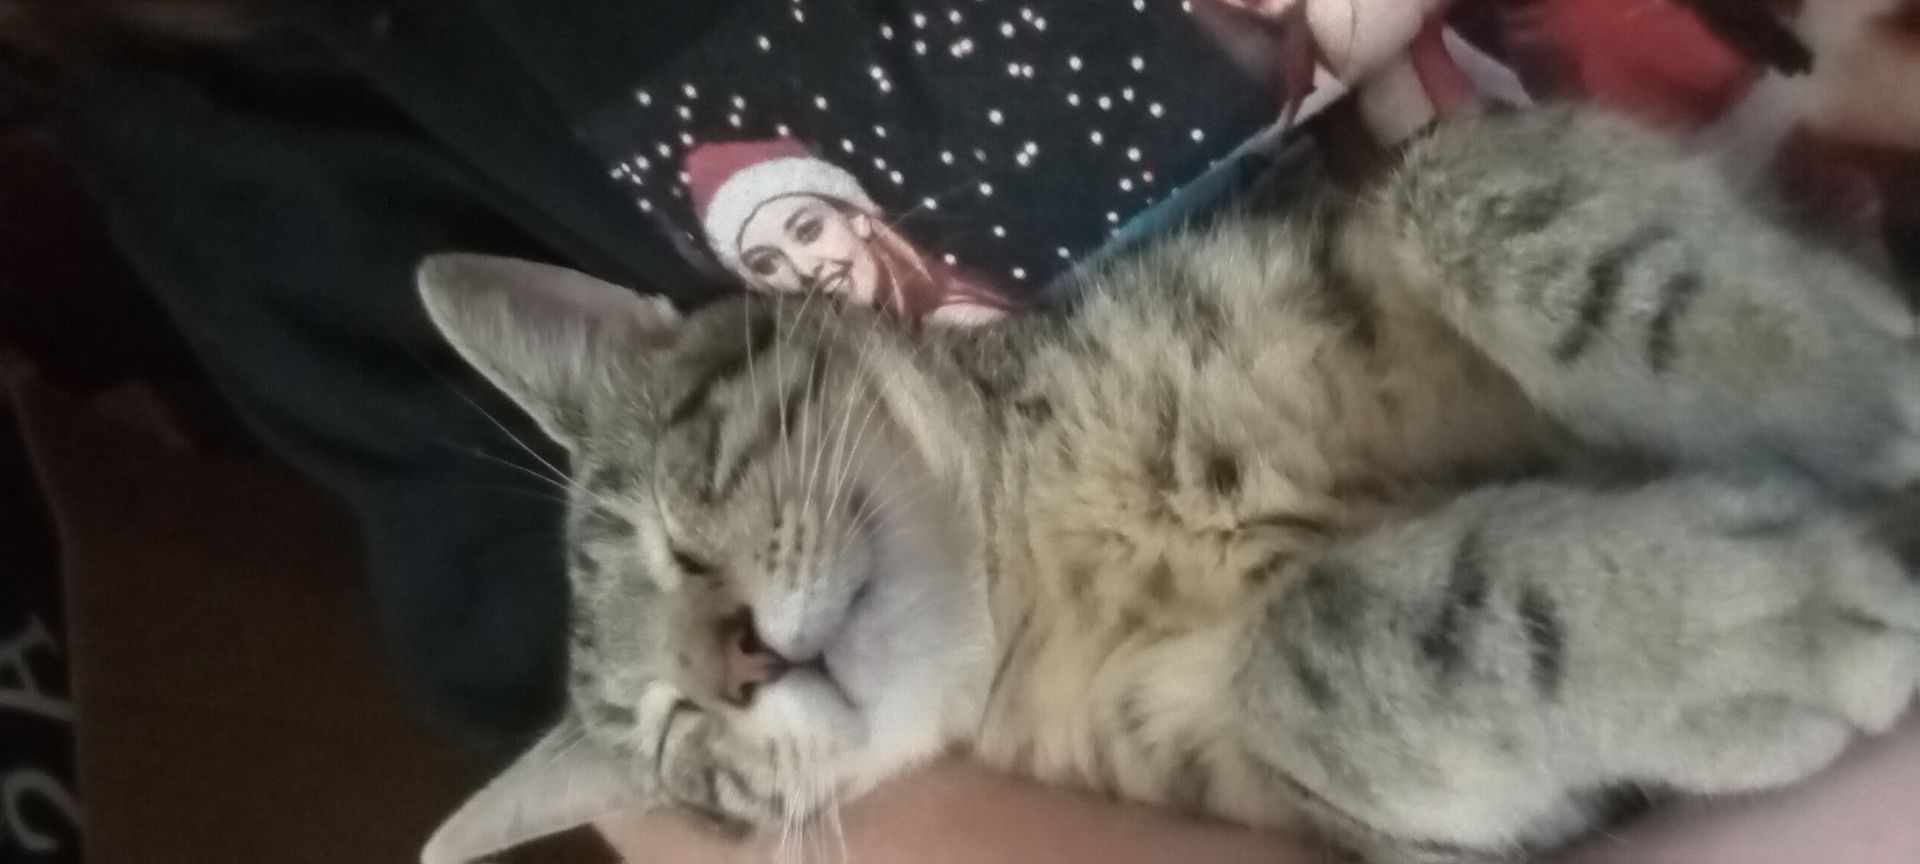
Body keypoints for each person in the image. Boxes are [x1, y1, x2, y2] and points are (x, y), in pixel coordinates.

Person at [11, 1, 1916, 862]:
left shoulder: (1107, 354)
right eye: (691, 716)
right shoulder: (242, 162)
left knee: (1472, 212)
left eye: (684, 553)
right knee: (1334, 687)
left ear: (657, 345)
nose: (731, 656)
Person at [687, 137, 1019, 326]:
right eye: (766, 264)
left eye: (808, 231)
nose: (803, 269)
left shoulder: (960, 324)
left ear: (857, 218)